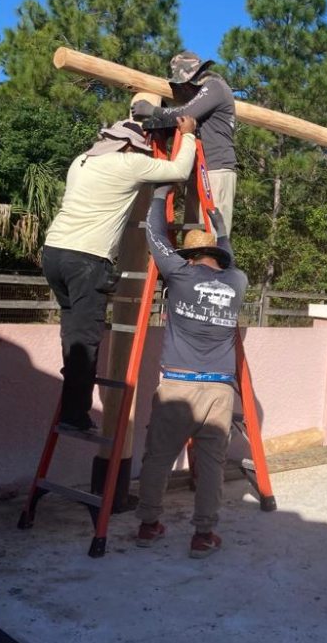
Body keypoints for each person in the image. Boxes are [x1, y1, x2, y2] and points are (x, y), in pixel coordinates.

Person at [42, 116, 197, 432]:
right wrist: (189, 135)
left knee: (73, 331)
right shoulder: (127, 164)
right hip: (86, 259)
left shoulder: (81, 161)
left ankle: (72, 395)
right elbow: (179, 170)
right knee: (85, 337)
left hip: (53, 253)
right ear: (128, 145)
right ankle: (74, 416)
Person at [135, 187, 248, 558]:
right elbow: (229, 262)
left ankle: (149, 525)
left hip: (178, 386)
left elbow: (154, 236)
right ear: (215, 255)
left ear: (191, 255)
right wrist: (221, 227)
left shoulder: (180, 275)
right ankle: (203, 536)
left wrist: (159, 196)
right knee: (212, 464)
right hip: (219, 390)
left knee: (158, 458)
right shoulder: (237, 282)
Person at [130, 51, 237, 236]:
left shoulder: (214, 87)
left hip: (216, 171)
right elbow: (185, 124)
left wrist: (153, 110)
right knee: (194, 238)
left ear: (191, 78)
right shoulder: (205, 95)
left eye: (183, 85)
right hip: (199, 172)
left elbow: (185, 114)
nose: (183, 91)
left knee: (211, 238)